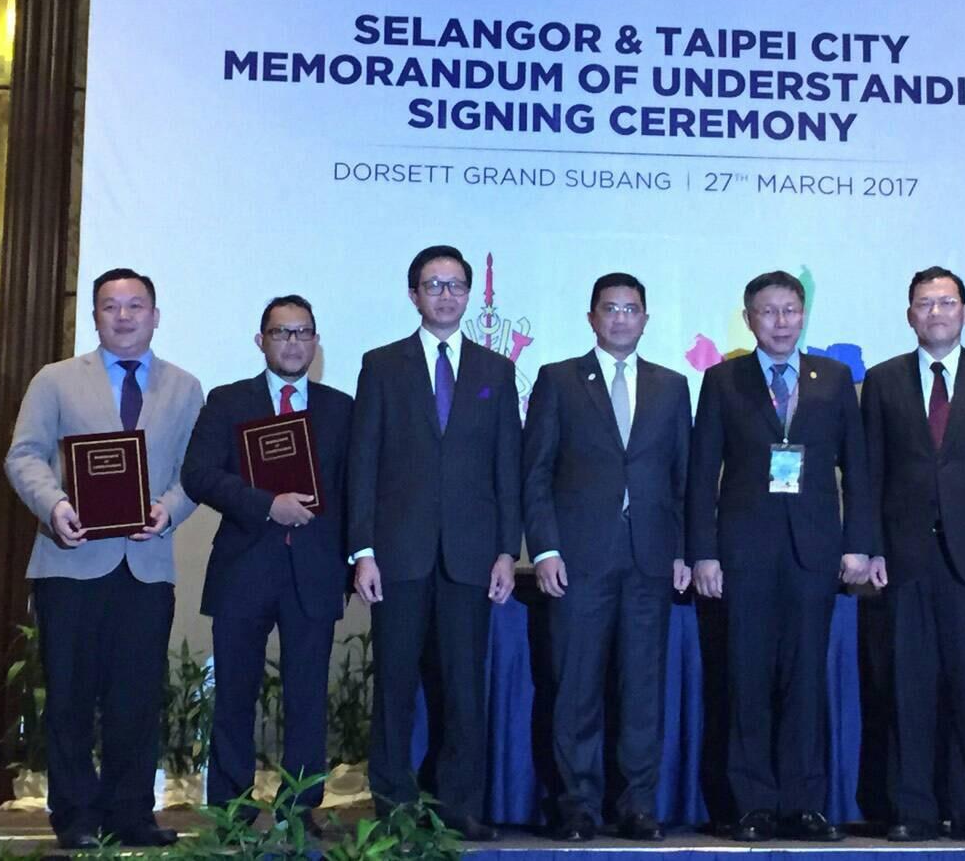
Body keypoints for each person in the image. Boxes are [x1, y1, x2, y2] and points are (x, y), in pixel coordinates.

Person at [4, 268, 204, 850]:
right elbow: (24, 456)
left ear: (156, 314)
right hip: (70, 563)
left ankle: (131, 815)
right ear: (94, 317)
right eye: (110, 306)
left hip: (146, 566)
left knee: (137, 698)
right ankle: (74, 818)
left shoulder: (185, 387)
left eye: (135, 305)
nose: (123, 316)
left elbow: (195, 472)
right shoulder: (56, 380)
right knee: (68, 698)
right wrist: (56, 504)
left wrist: (169, 508)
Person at [687, 270, 873, 843]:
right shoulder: (723, 381)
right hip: (742, 554)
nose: (781, 321)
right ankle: (751, 804)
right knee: (745, 680)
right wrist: (703, 553)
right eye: (768, 312)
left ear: (803, 314)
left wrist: (858, 544)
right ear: (749, 318)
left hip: (814, 553)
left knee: (805, 681)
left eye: (790, 310)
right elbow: (700, 476)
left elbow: (859, 470)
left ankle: (804, 804)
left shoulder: (835, 378)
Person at [347, 245, 522, 840]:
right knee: (395, 684)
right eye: (433, 285)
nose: (445, 295)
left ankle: (457, 804)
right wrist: (361, 549)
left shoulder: (496, 371)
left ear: (469, 294)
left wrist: (506, 549)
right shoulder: (382, 365)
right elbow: (363, 463)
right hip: (397, 553)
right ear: (413, 294)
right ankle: (393, 805)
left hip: (471, 556)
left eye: (455, 285)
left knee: (463, 687)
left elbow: (508, 467)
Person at [523, 274, 693, 842]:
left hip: (649, 561)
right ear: (592, 317)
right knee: (576, 690)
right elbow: (537, 473)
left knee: (643, 691)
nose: (621, 318)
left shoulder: (672, 387)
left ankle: (638, 805)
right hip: (577, 560)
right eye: (610, 309)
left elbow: (683, 479)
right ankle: (576, 804)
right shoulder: (559, 380)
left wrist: (685, 552)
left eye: (632, 309)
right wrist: (544, 548)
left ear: (647, 318)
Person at [860, 266, 965, 843]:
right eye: (925, 303)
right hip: (902, 559)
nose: (936, 312)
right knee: (908, 686)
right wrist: (871, 547)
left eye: (946, 302)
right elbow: (869, 474)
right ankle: (913, 811)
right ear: (910, 314)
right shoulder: (881, 380)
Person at [181, 295, 353, 831]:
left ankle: (300, 809)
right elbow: (198, 475)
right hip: (244, 568)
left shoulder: (341, 408)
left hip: (315, 570)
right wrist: (266, 505)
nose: (293, 343)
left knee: (307, 696)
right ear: (261, 341)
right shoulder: (229, 402)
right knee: (234, 694)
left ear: (316, 341)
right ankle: (231, 810)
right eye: (282, 333)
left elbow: (356, 490)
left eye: (303, 333)